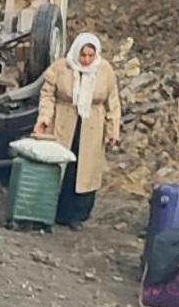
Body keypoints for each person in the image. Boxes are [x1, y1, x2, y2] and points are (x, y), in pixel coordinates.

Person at [32, 32, 121, 229]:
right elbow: (47, 95)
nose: (87, 60)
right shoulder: (61, 68)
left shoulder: (104, 70)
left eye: (90, 55)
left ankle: (76, 215)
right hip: (64, 121)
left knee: (85, 169)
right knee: (62, 166)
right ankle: (49, 212)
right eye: (83, 55)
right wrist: (44, 118)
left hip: (92, 125)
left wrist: (112, 129)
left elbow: (112, 102)